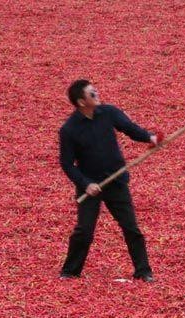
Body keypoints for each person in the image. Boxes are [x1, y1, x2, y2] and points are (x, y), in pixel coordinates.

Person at [58, 79, 163, 281]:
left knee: (131, 227)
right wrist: (85, 184)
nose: (97, 95)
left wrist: (150, 138)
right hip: (90, 186)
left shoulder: (109, 113)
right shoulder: (69, 130)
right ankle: (70, 271)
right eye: (92, 94)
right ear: (81, 102)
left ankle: (143, 271)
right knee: (84, 230)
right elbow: (66, 163)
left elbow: (130, 129)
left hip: (116, 182)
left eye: (95, 91)